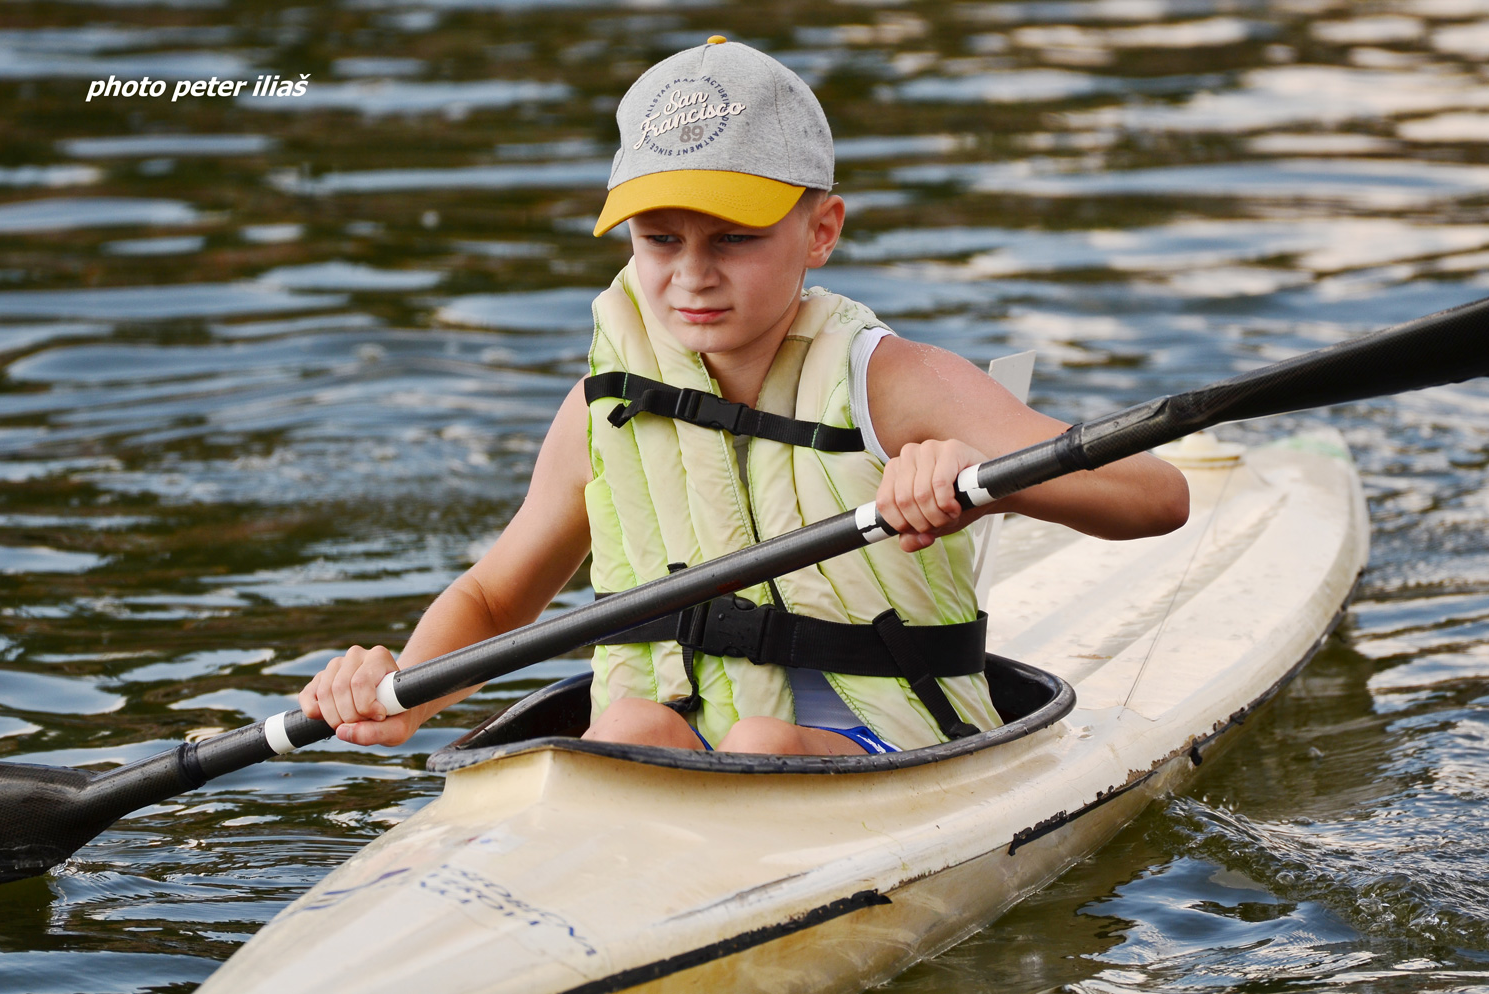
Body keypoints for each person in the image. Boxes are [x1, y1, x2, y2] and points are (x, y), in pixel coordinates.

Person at [299, 38, 1189, 757]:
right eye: (660, 239)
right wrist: (403, 694)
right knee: (629, 725)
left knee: (762, 738)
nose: (693, 275)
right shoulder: (603, 406)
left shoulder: (893, 381)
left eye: (734, 238)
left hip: (894, 741)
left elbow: (1158, 496)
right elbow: (497, 601)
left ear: (821, 231)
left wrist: (981, 480)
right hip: (675, 738)